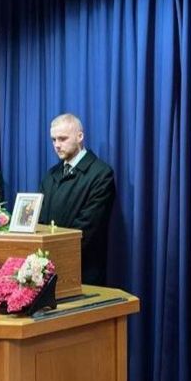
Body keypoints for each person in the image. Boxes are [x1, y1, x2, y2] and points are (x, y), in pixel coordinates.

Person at [39, 114, 116, 286]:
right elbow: (41, 220)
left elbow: (88, 226)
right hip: (47, 269)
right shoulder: (51, 175)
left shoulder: (101, 174)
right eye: (53, 140)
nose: (57, 145)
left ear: (80, 137)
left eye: (62, 139)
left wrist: (51, 255)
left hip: (84, 272)